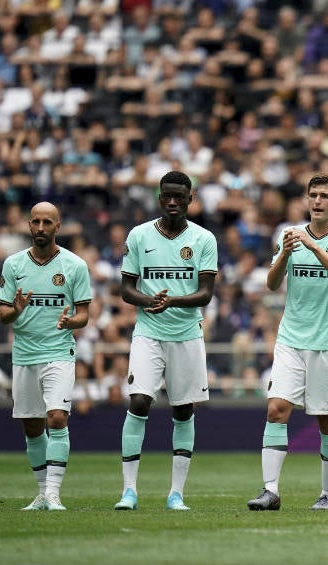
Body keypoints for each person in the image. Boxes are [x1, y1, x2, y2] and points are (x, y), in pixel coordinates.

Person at [246, 173, 328, 512]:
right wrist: (284, 252)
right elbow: (271, 283)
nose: (317, 201)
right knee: (275, 409)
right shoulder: (290, 234)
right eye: (313, 195)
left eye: (325, 196)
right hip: (291, 338)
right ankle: (270, 491)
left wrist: (314, 247)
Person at [113, 171, 218, 511]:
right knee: (139, 401)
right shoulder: (140, 236)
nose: (172, 201)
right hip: (148, 334)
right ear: (159, 198)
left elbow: (205, 294)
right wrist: (149, 302)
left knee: (183, 409)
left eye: (179, 196)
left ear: (190, 199)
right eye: (166, 196)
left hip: (186, 335)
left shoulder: (204, 239)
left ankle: (176, 493)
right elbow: (126, 289)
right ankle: (129, 491)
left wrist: (170, 301)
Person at [0, 202, 92, 511]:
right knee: (32, 427)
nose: (41, 227)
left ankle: (53, 493)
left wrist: (70, 322)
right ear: (28, 224)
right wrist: (16, 309)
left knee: (57, 417)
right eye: (36, 221)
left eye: (47, 222)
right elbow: (3, 315)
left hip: (58, 352)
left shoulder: (74, 265)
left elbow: (84, 316)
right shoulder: (13, 264)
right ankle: (41, 493)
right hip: (25, 354)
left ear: (58, 226)